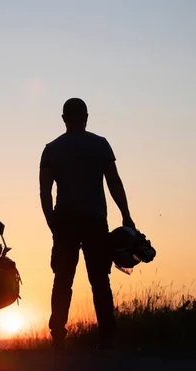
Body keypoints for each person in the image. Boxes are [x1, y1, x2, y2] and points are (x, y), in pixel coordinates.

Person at [39, 97, 136, 350]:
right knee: (100, 280)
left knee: (62, 280)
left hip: (65, 223)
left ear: (63, 119)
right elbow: (114, 182)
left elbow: (44, 192)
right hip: (94, 221)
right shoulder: (100, 145)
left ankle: (58, 335)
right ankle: (107, 336)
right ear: (86, 117)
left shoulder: (51, 149)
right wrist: (126, 214)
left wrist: (52, 223)